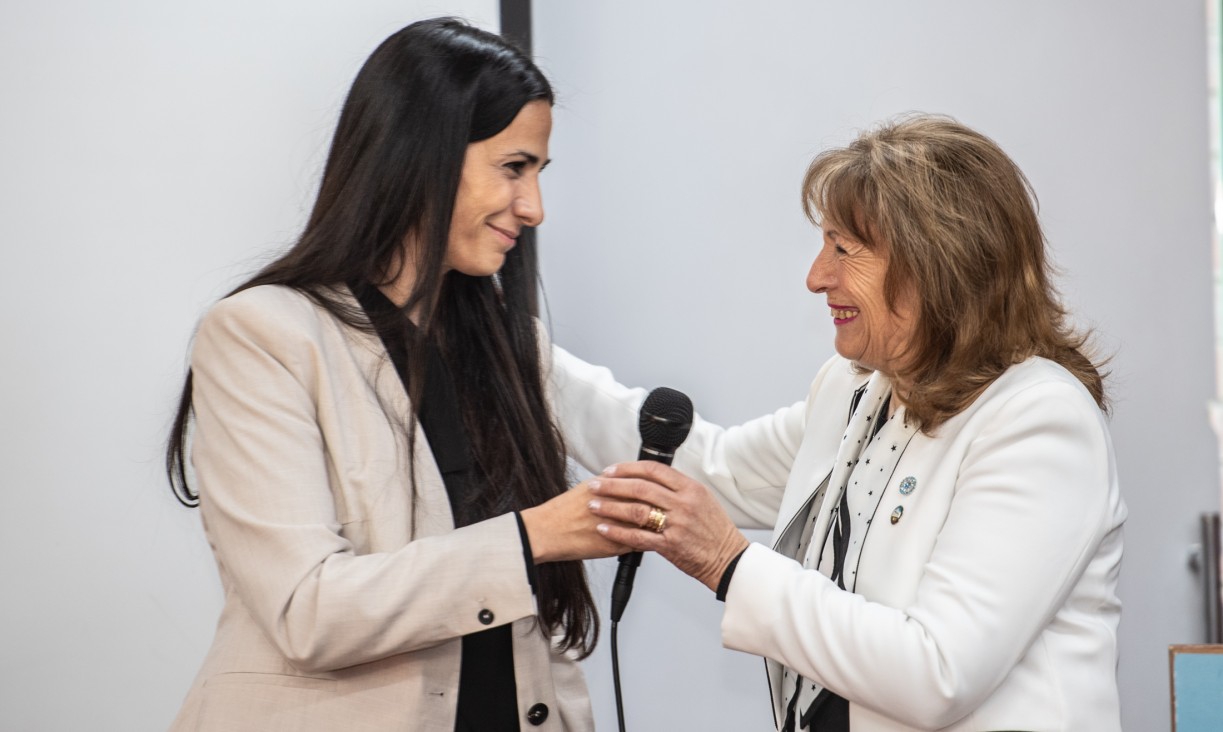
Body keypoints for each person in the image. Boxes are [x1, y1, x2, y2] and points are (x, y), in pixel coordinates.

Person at [569, 115, 1126, 731]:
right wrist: (525, 359)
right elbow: (716, 467)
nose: (816, 277)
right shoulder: (856, 388)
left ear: (937, 264)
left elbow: (936, 673)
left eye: (844, 249)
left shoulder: (1040, 420)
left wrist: (729, 563)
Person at [164, 18, 629, 731]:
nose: (533, 208)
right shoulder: (263, 336)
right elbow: (307, 609)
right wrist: (535, 535)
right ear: (424, 157)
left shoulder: (511, 348)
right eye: (514, 168)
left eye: (538, 173)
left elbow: (535, 637)